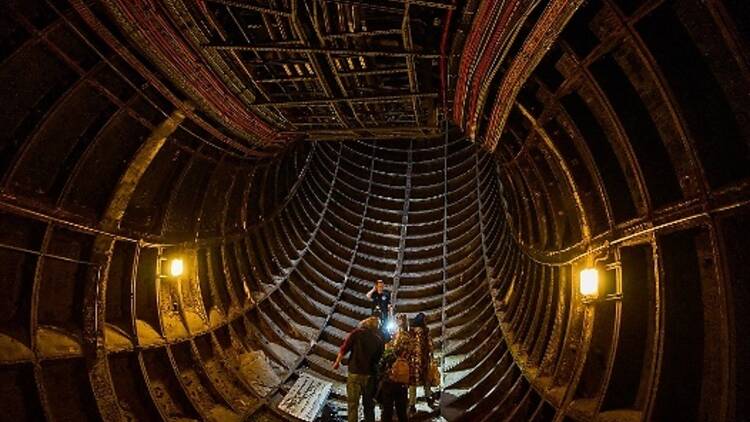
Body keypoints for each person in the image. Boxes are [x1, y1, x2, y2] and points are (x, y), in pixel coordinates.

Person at [333, 316, 385, 422]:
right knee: (369, 406)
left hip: (355, 373)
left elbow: (344, 348)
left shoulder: (356, 333)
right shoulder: (378, 340)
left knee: (353, 404)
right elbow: (378, 360)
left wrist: (337, 362)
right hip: (369, 376)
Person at [379, 314, 412, 422]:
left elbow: (393, 353)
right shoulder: (407, 335)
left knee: (388, 408)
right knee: (401, 408)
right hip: (402, 376)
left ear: (400, 322)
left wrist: (388, 347)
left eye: (397, 320)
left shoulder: (401, 336)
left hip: (392, 374)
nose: (396, 321)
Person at [407, 312, 435, 414]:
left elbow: (408, 345)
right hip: (423, 360)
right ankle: (428, 398)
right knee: (426, 380)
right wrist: (431, 354)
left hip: (413, 361)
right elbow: (430, 345)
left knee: (412, 382)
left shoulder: (411, 332)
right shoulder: (425, 331)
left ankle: (412, 404)